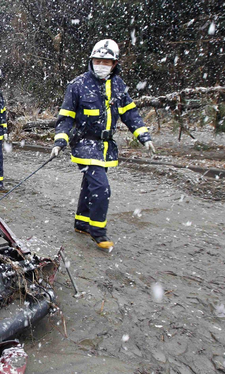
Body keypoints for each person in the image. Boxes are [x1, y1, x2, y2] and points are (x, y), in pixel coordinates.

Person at [50, 39, 156, 251]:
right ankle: (98, 232)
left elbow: (130, 113)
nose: (101, 65)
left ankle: (81, 222)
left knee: (90, 185)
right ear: (91, 60)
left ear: (115, 64)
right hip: (84, 143)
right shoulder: (77, 85)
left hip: (105, 145)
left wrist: (144, 136)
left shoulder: (118, 85)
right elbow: (66, 118)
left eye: (106, 62)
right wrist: (60, 140)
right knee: (101, 187)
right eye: (97, 60)